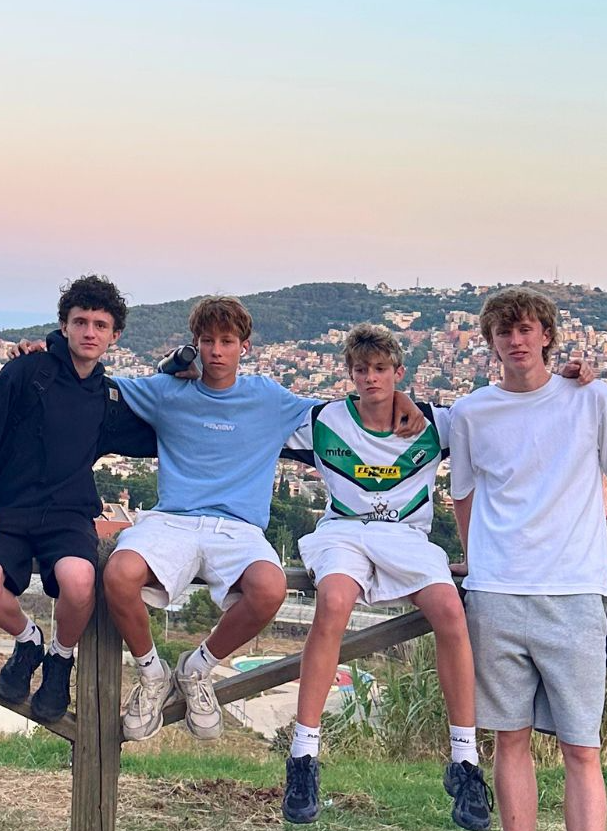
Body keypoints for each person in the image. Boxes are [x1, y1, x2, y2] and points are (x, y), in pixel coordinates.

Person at [104, 296, 425, 744]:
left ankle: (196, 669)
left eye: (227, 341)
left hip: (237, 528)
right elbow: (95, 383)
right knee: (118, 574)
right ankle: (152, 673)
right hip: (173, 519)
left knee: (270, 588)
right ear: (195, 345)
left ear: (245, 347)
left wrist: (401, 397)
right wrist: (44, 354)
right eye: (208, 341)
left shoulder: (269, 399)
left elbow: (347, 411)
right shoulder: (166, 393)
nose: (217, 351)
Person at [450, 287, 607, 831]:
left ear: (547, 335)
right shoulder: (470, 412)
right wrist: (480, 566)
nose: (515, 339)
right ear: (490, 341)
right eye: (503, 330)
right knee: (511, 739)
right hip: (498, 593)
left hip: (575, 591)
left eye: (525, 328)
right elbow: (463, 495)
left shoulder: (592, 397)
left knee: (582, 749)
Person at [279, 323, 492, 831]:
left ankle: (465, 759)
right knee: (332, 603)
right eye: (361, 370)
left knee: (449, 611)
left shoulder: (436, 424)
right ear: (348, 374)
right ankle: (303, 756)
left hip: (406, 538)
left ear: (399, 373)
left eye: (380, 369)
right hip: (343, 531)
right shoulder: (323, 420)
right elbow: (247, 408)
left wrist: (575, 378)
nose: (371, 378)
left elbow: (506, 407)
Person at [0, 275, 155, 725]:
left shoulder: (107, 397)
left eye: (100, 325)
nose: (89, 332)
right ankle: (29, 641)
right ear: (63, 326)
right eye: (80, 321)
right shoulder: (26, 372)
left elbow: (156, 433)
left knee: (80, 579)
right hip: (6, 508)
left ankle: (61, 660)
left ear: (114, 335)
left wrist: (187, 386)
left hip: (67, 514)